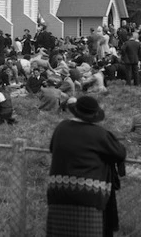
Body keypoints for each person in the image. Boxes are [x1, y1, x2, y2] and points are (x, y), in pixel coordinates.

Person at [46, 95, 126, 237]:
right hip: (88, 194)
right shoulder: (99, 134)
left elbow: (52, 148)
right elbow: (120, 152)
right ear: (93, 115)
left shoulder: (61, 127)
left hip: (58, 191)